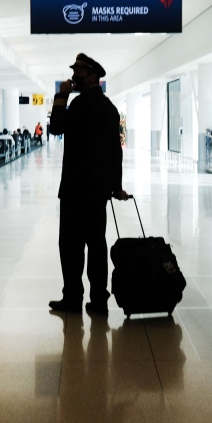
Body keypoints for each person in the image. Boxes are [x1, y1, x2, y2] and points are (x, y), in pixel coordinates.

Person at [48, 53, 129, 315]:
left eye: (79, 72)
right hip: (97, 192)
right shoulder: (109, 108)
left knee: (71, 246)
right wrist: (115, 186)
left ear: (93, 76)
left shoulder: (81, 105)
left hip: (75, 190)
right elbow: (116, 151)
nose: (74, 77)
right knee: (96, 245)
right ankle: (98, 300)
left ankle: (72, 298)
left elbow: (56, 126)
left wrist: (61, 96)